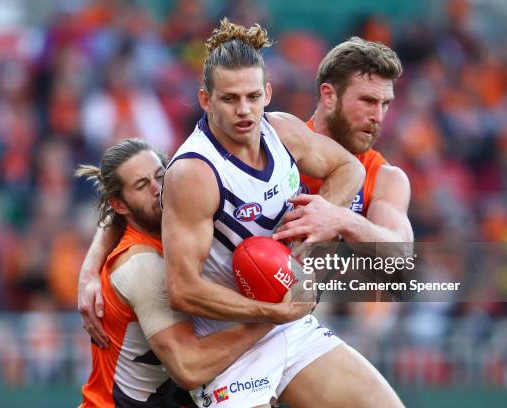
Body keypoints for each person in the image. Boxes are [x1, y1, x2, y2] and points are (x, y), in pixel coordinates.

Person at [161, 20, 402, 407]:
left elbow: (350, 169)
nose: (245, 110)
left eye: (254, 97)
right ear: (205, 100)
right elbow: (182, 288)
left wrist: (321, 216)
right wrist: (271, 309)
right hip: (228, 345)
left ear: (268, 93)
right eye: (230, 99)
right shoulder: (194, 173)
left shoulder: (282, 131)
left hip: (290, 327)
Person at [76, 139, 274, 407]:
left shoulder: (180, 225)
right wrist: (272, 317)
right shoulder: (141, 263)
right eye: (142, 185)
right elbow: (189, 369)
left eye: (160, 176)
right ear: (120, 205)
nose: (157, 189)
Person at [273, 37, 414, 248]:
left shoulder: (384, 177)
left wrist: (343, 220)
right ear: (329, 95)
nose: (379, 116)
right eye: (368, 101)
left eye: (385, 104)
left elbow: (400, 253)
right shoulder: (279, 146)